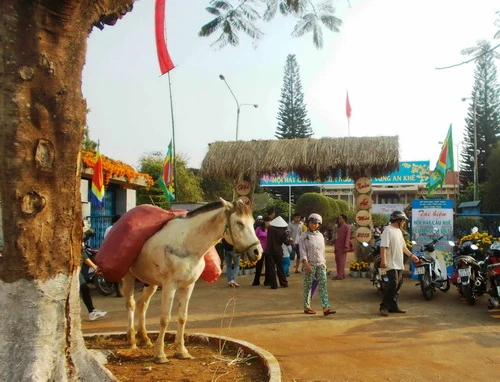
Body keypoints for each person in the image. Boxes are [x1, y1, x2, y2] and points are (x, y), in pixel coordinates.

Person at [379, 210, 419, 316]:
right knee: (393, 283)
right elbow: (383, 246)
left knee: (399, 284)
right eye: (403, 221)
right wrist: (384, 260)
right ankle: (384, 306)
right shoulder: (388, 230)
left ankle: (393, 306)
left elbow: (403, 247)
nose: (404, 223)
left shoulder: (399, 231)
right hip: (390, 262)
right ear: (398, 220)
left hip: (399, 262)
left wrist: (411, 256)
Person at [299, 213, 336, 316]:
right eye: (312, 223)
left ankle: (326, 307)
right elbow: (302, 251)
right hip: (309, 264)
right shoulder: (304, 236)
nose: (314, 225)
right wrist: (306, 265)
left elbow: (322, 251)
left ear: (319, 224)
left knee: (323, 285)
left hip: (320, 264)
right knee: (308, 287)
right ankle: (307, 307)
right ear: (308, 223)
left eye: (316, 223)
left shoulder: (320, 235)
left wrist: (324, 264)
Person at [80, 225, 107, 321]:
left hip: (74, 268)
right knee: (83, 288)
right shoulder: (75, 240)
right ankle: (91, 311)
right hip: (70, 269)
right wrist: (94, 266)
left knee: (84, 289)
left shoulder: (79, 241)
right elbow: (83, 255)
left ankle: (91, 311)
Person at [265, 216, 291, 289]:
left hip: (270, 251)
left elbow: (268, 226)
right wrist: (290, 242)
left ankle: (273, 285)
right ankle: (284, 283)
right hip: (278, 251)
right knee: (280, 268)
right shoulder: (282, 232)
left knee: (272, 269)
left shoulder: (270, 229)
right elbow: (286, 242)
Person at [104, 214, 123, 297]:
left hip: (111, 252)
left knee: (114, 271)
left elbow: (105, 240)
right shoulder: (123, 228)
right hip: (122, 252)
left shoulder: (108, 229)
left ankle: (118, 291)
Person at [252, 217, 271, 286]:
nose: (269, 223)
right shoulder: (259, 229)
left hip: (268, 249)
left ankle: (267, 281)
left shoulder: (271, 229)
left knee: (268, 265)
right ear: (265, 222)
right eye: (268, 221)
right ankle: (256, 280)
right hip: (260, 249)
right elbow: (255, 237)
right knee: (259, 265)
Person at [333, 214, 351, 280]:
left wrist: (346, 247)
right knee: (338, 261)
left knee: (341, 262)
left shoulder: (347, 227)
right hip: (338, 246)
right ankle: (341, 274)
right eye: (338, 218)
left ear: (344, 219)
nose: (339, 220)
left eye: (340, 218)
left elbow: (347, 238)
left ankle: (339, 276)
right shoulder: (339, 227)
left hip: (342, 247)